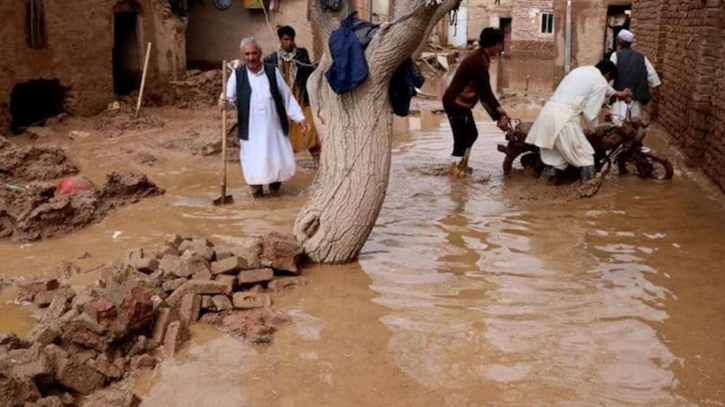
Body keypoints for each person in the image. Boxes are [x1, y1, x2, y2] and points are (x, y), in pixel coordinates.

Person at [219, 37, 310, 198]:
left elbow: (287, 96)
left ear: (260, 54)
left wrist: (300, 118)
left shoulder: (272, 71)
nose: (251, 57)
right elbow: (229, 99)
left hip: (273, 128)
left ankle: (275, 191)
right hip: (251, 129)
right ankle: (257, 192)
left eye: (254, 53)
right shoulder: (237, 75)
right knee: (254, 161)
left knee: (276, 160)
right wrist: (224, 103)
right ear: (243, 56)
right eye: (247, 54)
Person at [525, 61, 632, 182]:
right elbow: (590, 114)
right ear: (607, 74)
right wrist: (595, 130)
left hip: (547, 115)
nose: (607, 82)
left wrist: (620, 93)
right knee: (586, 158)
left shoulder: (581, 71)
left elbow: (604, 88)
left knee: (556, 161)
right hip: (564, 119)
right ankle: (586, 195)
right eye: (609, 79)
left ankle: (541, 190)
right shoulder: (601, 82)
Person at [442, 27, 510, 171]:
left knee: (471, 134)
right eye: (499, 45)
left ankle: (461, 167)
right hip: (455, 103)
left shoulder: (482, 58)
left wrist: (498, 113)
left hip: (460, 103)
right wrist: (498, 115)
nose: (500, 48)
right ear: (492, 45)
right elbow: (485, 92)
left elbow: (484, 92)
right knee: (462, 138)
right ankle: (455, 172)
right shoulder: (478, 61)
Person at [264, 26, 321, 168]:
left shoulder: (301, 55)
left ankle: (316, 160)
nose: (289, 42)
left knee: (309, 126)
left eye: (291, 39)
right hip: (282, 99)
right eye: (286, 39)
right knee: (283, 130)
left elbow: (308, 73)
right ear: (280, 40)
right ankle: (284, 164)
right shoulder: (271, 59)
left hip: (301, 96)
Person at [609, 29, 661, 125]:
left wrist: (608, 92)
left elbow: (610, 75)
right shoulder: (641, 57)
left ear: (621, 42)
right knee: (635, 123)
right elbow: (653, 78)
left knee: (618, 124)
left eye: (618, 40)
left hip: (620, 96)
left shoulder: (615, 55)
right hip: (636, 97)